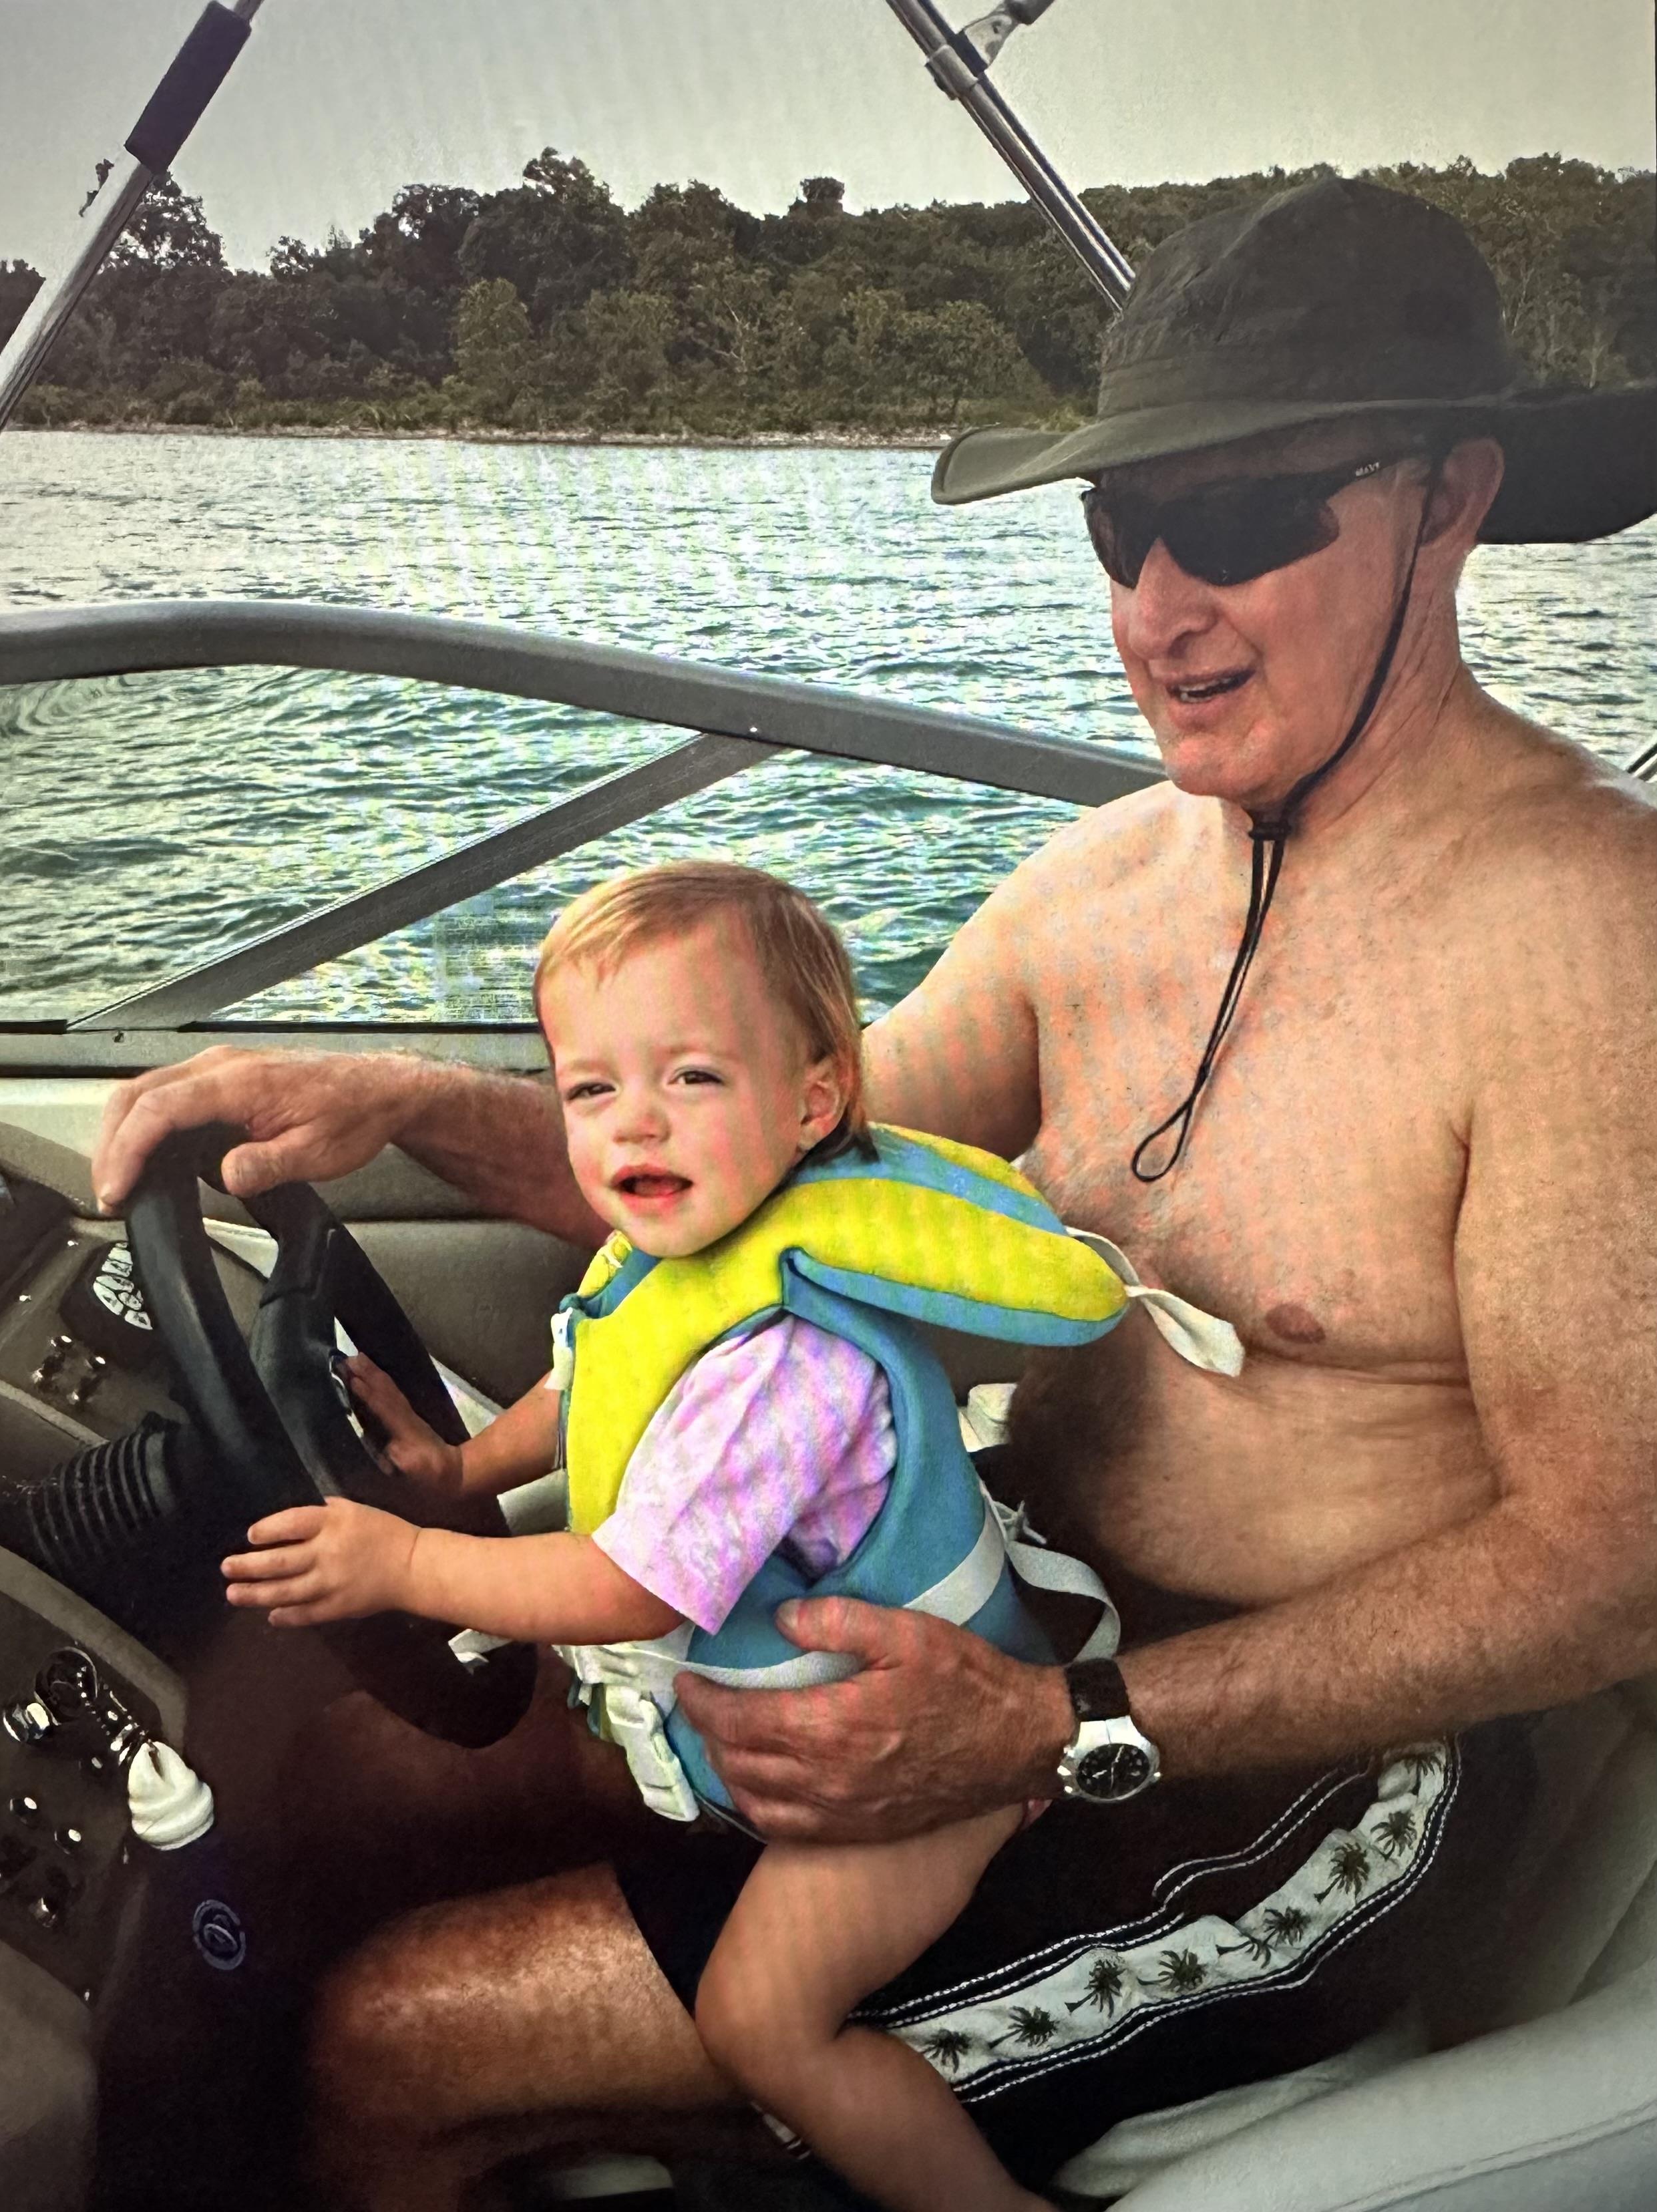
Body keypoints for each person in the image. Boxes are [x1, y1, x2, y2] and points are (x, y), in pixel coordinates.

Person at [91, 177, 1657, 2209]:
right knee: (330, 1769)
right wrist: (397, 1102)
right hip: (977, 1596)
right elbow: (757, 1175)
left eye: (1246, 520)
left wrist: (1059, 1722)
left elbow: (1609, 1560)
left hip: (1299, 1789)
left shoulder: (1585, 943)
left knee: (407, 2036)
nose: (1156, 612)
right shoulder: (1097, 890)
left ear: (1450, 502)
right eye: (1121, 528)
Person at [219, 860, 1138, 2212]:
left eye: (692, 1077)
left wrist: (402, 1560)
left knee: (763, 2024)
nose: (633, 1122)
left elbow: (629, 1586)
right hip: (778, 1721)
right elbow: (591, 1385)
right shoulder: (675, 1261)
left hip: (929, 1769)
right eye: (591, 1090)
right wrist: (460, 1465)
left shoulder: (781, 1364)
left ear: (813, 1101)